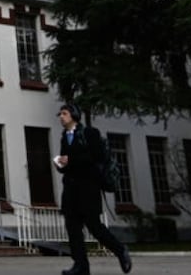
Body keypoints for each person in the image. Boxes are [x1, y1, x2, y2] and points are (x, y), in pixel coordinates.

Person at [54, 103, 132, 275]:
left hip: (88, 188)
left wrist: (70, 160)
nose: (61, 116)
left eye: (64, 113)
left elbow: (95, 157)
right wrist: (60, 165)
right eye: (60, 114)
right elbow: (68, 163)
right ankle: (81, 266)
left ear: (74, 115)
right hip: (71, 190)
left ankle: (120, 250)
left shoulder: (89, 133)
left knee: (94, 227)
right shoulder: (64, 137)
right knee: (72, 228)